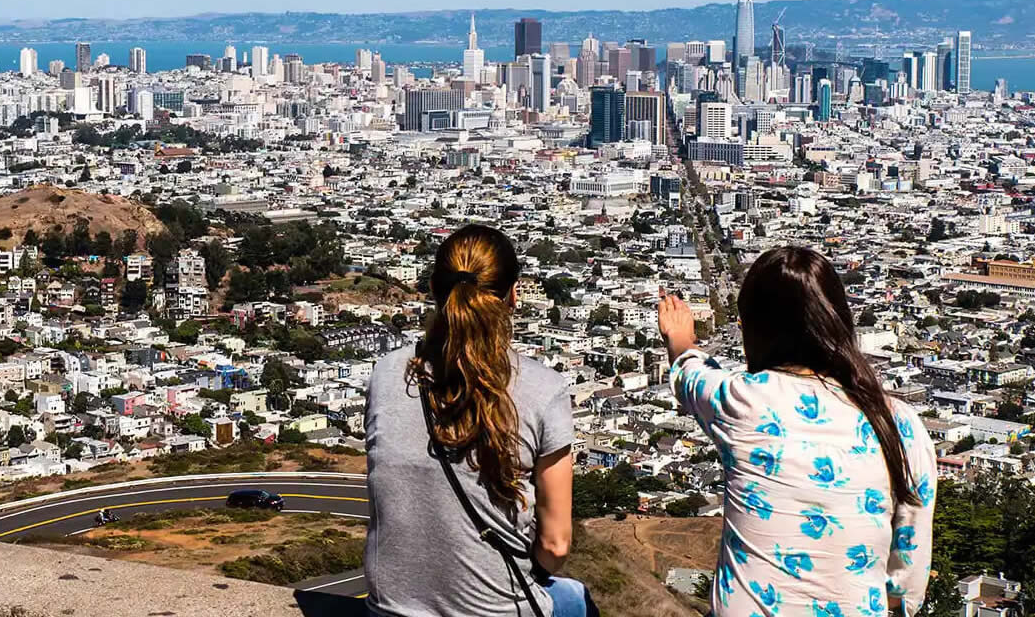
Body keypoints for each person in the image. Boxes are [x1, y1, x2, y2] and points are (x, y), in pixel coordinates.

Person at [658, 246, 938, 617]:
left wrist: (679, 339)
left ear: (758, 330)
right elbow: (906, 582)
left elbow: (689, 376)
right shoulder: (900, 425)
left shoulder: (744, 402)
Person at [364, 224, 595, 617]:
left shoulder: (386, 374)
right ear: (513, 296)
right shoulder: (543, 390)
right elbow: (556, 545)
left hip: (390, 611)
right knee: (574, 599)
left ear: (435, 290)